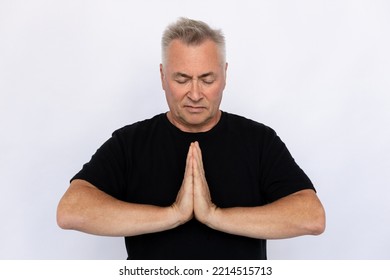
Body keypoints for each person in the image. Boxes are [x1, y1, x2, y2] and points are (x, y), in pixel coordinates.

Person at [57, 17, 325, 260]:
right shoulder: (130, 143)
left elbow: (311, 216)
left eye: (207, 79)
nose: (195, 94)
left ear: (224, 75)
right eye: (182, 79)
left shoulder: (258, 140)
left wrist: (214, 215)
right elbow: (71, 210)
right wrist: (174, 214)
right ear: (163, 76)